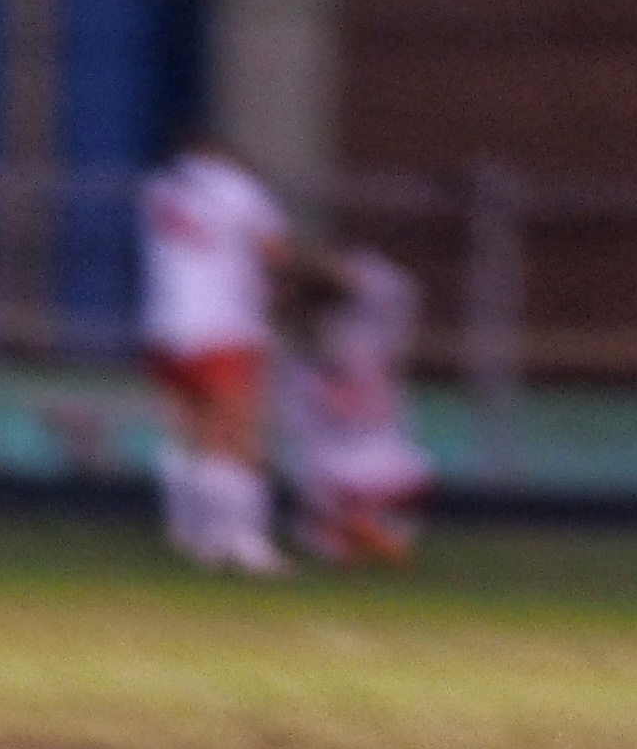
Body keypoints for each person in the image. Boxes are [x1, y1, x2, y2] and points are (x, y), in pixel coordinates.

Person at [138, 131, 291, 575]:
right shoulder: (239, 188)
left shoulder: (160, 188)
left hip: (166, 326)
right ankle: (245, 538)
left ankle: (195, 532)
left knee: (193, 431)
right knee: (240, 430)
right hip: (224, 325)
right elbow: (275, 252)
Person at [274, 246, 433, 566]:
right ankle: (354, 527)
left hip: (369, 466)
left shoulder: (365, 335)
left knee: (398, 480)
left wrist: (320, 272)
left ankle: (354, 526)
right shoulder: (300, 359)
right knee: (330, 529)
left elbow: (395, 290)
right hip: (372, 473)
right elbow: (396, 289)